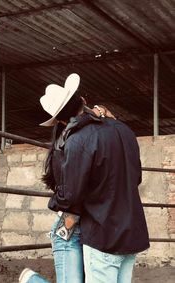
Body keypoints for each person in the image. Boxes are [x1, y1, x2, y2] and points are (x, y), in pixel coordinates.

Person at [19, 73, 150, 283]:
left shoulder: (78, 141)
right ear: (83, 100)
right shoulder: (125, 131)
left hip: (101, 234)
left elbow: (70, 196)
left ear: (59, 120)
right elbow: (136, 178)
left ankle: (33, 281)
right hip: (130, 232)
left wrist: (56, 202)